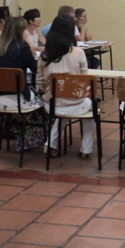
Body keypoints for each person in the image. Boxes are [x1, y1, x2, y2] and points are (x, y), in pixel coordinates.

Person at [37, 15, 92, 158]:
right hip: (75, 103)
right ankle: (86, 148)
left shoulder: (44, 53)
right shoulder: (79, 52)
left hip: (51, 104)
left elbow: (40, 81)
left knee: (62, 108)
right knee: (90, 107)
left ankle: (51, 143)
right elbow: (84, 80)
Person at [0, 17, 43, 151]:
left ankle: (20, 134)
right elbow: (35, 68)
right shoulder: (22, 46)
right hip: (17, 99)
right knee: (46, 105)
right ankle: (31, 140)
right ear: (20, 31)